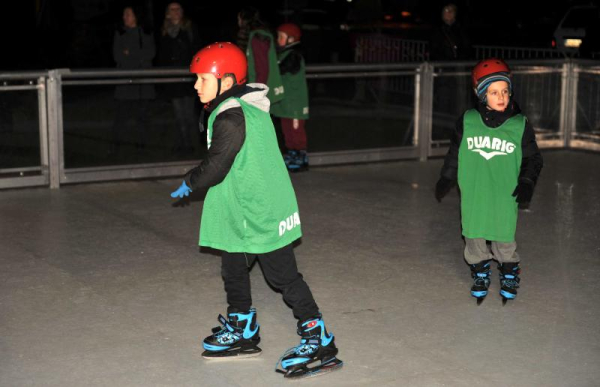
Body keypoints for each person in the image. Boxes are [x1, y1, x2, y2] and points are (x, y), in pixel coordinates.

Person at [169, 42, 342, 378]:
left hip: (261, 210)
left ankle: (318, 337)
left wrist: (190, 181)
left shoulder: (232, 117)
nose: (195, 85)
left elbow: (217, 165)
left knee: (283, 277)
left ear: (226, 80)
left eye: (202, 79)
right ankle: (243, 329)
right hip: (243, 207)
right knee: (233, 267)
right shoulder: (241, 107)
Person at [435, 58, 543, 305]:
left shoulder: (519, 125)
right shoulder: (468, 121)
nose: (501, 97)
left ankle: (508, 274)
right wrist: (446, 177)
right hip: (475, 192)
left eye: (505, 91)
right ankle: (480, 272)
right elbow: (455, 152)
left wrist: (527, 181)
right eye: (494, 92)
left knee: (504, 236)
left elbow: (533, 158)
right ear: (481, 94)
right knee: (473, 235)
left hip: (505, 192)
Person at [110, 5, 155, 154]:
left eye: (128, 14)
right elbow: (118, 56)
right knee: (120, 116)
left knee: (142, 116)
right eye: (124, 14)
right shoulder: (120, 33)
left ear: (136, 16)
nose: (125, 17)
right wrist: (133, 55)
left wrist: (131, 53)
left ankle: (142, 144)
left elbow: (150, 54)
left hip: (143, 83)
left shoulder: (146, 32)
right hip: (125, 83)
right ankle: (117, 144)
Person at [157, 2, 200, 155]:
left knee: (189, 114)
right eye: (172, 9)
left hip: (189, 78)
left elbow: (196, 50)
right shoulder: (164, 31)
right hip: (173, 79)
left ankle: (192, 144)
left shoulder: (189, 28)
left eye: (177, 9)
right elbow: (162, 55)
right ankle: (184, 144)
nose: (175, 12)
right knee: (179, 114)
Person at [270, 23, 309, 172]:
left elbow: (284, 68)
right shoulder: (283, 54)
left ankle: (301, 157)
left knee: (296, 131)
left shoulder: (294, 55)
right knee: (287, 130)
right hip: (286, 104)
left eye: (281, 37)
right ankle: (292, 153)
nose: (278, 40)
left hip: (295, 105)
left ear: (291, 39)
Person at [236, 6, 284, 105]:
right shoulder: (256, 36)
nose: (238, 22)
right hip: (258, 90)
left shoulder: (258, 38)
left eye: (239, 18)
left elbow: (262, 70)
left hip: (260, 93)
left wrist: (256, 94)